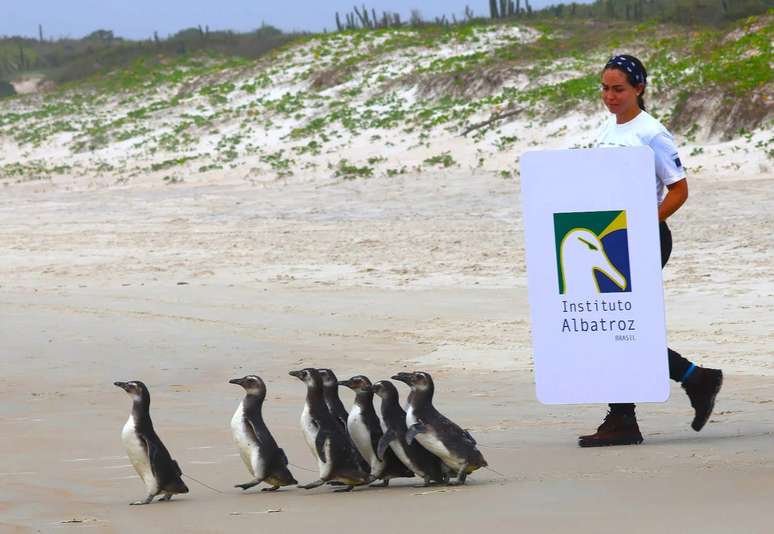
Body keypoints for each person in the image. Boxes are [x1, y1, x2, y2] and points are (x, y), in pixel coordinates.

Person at [578, 54, 724, 447]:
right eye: (605, 89)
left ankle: (630, 414)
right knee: (615, 324)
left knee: (619, 325)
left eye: (619, 89)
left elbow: (679, 189)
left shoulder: (651, 132)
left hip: (644, 238)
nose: (609, 96)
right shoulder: (609, 127)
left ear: (639, 89)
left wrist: (646, 224)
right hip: (610, 239)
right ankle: (691, 380)